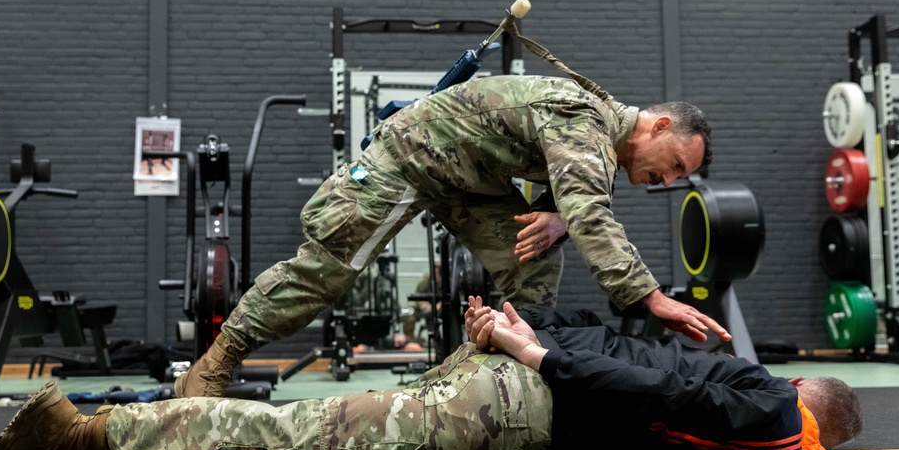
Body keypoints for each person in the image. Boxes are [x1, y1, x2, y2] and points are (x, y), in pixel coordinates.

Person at [177, 73, 727, 399]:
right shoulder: (584, 117)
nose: (668, 181)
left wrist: (559, 218)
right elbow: (590, 208)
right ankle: (216, 363)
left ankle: (502, 382)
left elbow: (579, 199)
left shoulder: (601, 145)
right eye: (674, 164)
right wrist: (652, 299)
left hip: (471, 183)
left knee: (533, 258)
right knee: (327, 270)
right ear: (657, 127)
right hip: (411, 155)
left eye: (679, 178)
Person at [0, 296, 861, 450]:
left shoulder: (759, 391)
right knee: (309, 434)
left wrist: (528, 339)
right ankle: (92, 432)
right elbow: (644, 389)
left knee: (309, 419)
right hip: (518, 402)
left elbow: (638, 366)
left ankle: (110, 425)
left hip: (513, 379)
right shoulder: (774, 416)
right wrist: (531, 349)